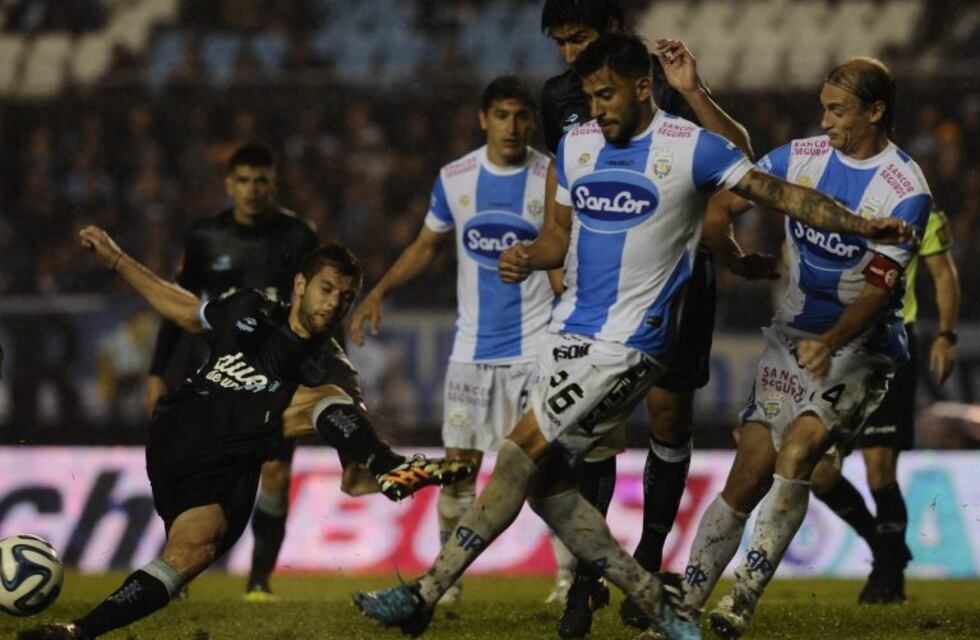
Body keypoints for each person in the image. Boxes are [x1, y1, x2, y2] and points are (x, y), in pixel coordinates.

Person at [352, 35, 912, 640]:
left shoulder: (689, 146)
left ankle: (424, 594)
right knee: (546, 487)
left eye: (607, 95)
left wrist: (860, 225)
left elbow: (781, 193)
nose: (596, 109)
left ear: (643, 88)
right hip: (566, 334)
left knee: (518, 455)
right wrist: (527, 255)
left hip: (628, 345)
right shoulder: (576, 145)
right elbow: (558, 236)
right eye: (590, 97)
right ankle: (656, 601)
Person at [18, 228, 474, 640]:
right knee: (327, 398)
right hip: (182, 429)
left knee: (191, 553)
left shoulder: (335, 369)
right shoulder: (250, 307)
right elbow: (184, 310)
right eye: (327, 289)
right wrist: (117, 259)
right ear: (300, 284)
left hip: (224, 474)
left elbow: (353, 481)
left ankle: (78, 631)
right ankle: (389, 461)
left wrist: (404, 477)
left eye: (347, 297)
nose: (335, 304)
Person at [678, 57, 931, 640]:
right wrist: (735, 258)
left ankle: (741, 601)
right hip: (791, 338)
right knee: (746, 477)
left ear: (876, 111)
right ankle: (683, 608)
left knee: (798, 456)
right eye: (823, 108)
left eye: (837, 110)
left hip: (860, 349)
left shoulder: (906, 189)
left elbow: (878, 293)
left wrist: (832, 341)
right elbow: (725, 202)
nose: (825, 121)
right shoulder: (800, 156)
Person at [538, 2, 760, 633]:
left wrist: (694, 90)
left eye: (579, 38)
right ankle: (587, 580)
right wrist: (559, 274)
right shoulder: (559, 96)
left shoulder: (658, 82)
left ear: (613, 30)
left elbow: (737, 162)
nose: (569, 54)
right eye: (560, 42)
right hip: (597, 294)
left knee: (668, 418)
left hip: (674, 283)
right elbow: (560, 185)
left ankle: (648, 559)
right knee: (593, 429)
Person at [349, 75, 554, 604]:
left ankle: (568, 581)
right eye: (502, 115)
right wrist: (380, 291)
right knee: (459, 470)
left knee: (543, 472)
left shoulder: (552, 176)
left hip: (535, 348)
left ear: (533, 121)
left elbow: (566, 253)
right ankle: (448, 583)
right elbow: (425, 246)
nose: (512, 126)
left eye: (522, 115)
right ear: (483, 119)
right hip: (471, 351)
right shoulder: (456, 177)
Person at [145, 142, 318, 600]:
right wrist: (157, 371)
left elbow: (318, 306)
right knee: (196, 473)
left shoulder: (300, 236)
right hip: (216, 376)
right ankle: (178, 565)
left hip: (275, 377)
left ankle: (259, 581)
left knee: (275, 475)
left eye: (261, 180)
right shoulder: (205, 237)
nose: (252, 189)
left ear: (273, 183)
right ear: (229, 184)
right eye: (243, 181)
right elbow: (178, 306)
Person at [810, 207, 959, 604]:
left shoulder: (918, 208)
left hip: (890, 346)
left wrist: (946, 335)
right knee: (819, 474)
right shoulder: (831, 198)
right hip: (837, 348)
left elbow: (943, 273)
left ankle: (888, 580)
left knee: (879, 471)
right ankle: (885, 549)